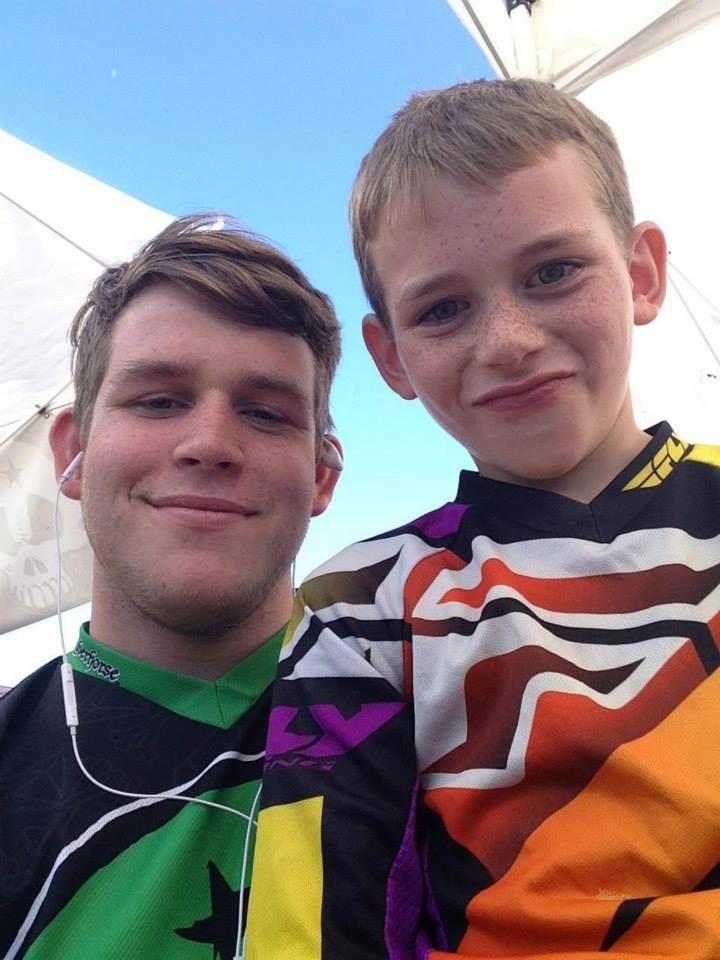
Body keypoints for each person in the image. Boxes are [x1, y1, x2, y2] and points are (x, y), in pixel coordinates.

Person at [246, 80, 720, 958]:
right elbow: (310, 932)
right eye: (443, 310)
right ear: (391, 357)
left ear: (642, 273)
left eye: (553, 271)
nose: (508, 341)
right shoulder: (358, 610)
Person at [0, 214, 342, 959]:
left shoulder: (454, 727)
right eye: (158, 400)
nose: (210, 444)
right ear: (74, 452)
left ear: (322, 475)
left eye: (265, 413)